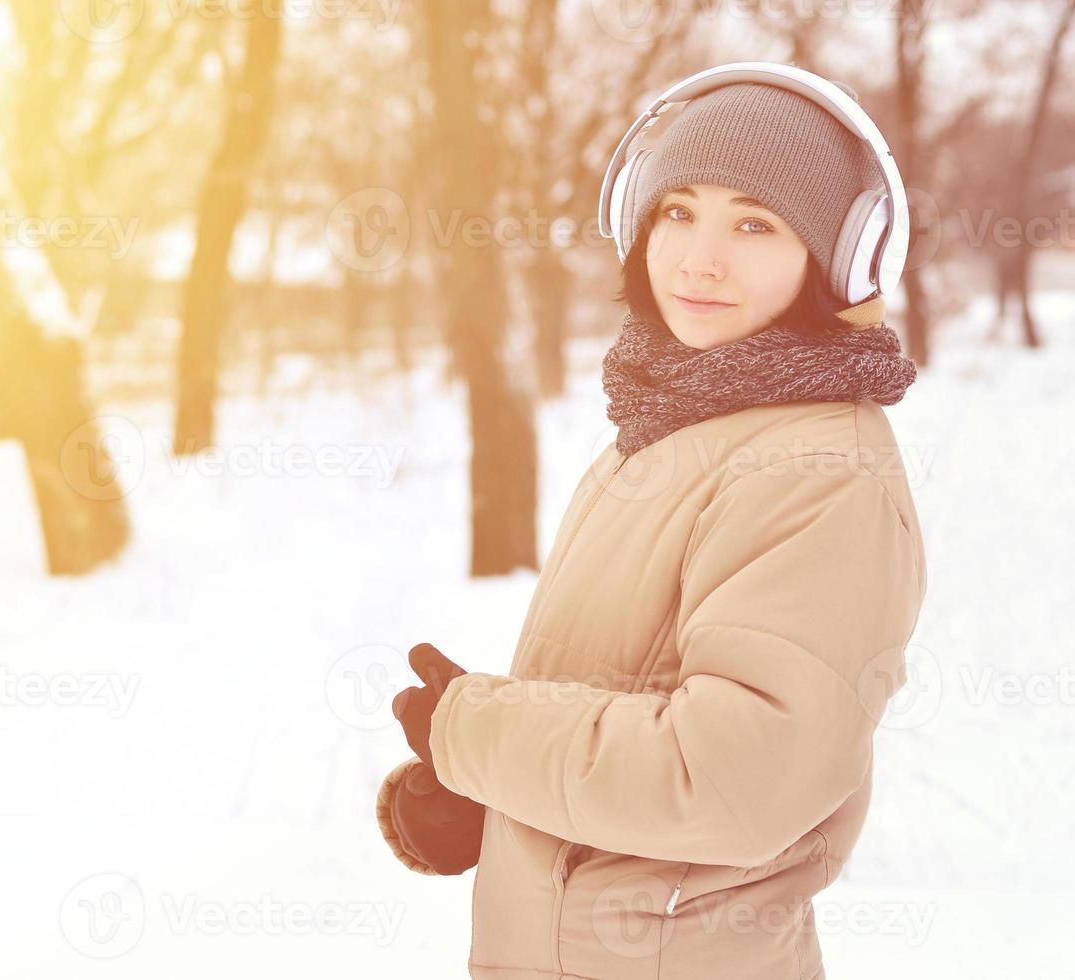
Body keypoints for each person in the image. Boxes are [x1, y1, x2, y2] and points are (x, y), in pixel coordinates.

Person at [377, 64, 928, 979]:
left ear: (840, 253)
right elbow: (627, 697)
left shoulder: (820, 473)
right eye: (678, 210)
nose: (699, 258)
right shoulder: (671, 426)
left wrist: (476, 734)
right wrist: (492, 798)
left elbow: (732, 780)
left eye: (755, 223)